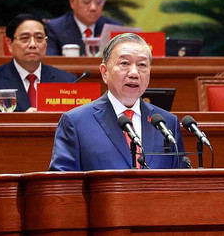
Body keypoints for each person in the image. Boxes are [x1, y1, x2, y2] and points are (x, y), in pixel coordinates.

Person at [49, 33, 185, 170]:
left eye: (142, 65)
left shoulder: (168, 123)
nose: (134, 73)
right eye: (124, 63)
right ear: (104, 72)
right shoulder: (76, 122)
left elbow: (181, 183)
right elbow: (62, 184)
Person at [0, 14, 77, 112]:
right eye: (24, 38)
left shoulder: (67, 81)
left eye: (39, 38)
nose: (33, 44)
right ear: (10, 44)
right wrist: (22, 120)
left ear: (46, 43)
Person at [45, 0, 123, 56]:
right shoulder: (54, 29)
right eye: (86, 2)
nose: (93, 8)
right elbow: (51, 63)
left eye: (98, 2)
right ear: (72, 2)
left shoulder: (114, 28)